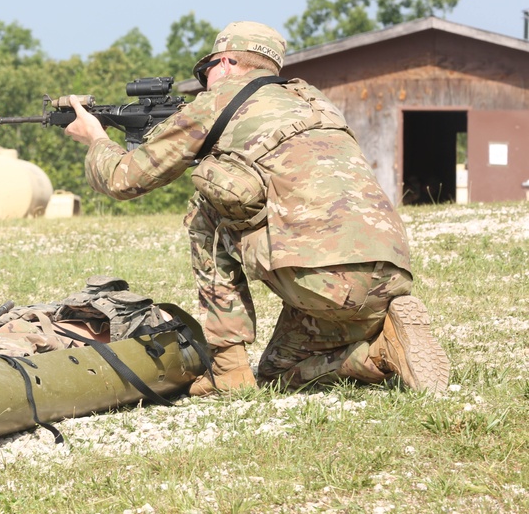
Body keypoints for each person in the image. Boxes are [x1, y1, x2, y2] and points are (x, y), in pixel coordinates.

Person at [63, 21, 450, 394]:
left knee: (207, 206)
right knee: (278, 373)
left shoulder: (219, 98)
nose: (205, 82)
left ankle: (228, 369)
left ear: (228, 62)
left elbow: (122, 179)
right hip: (388, 276)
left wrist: (95, 137)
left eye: (207, 69)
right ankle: (383, 353)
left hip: (322, 281)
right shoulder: (313, 100)